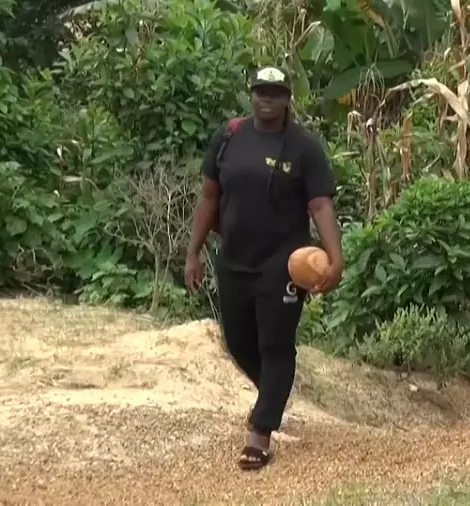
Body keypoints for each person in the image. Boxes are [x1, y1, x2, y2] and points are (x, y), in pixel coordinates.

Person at [184, 66, 344, 471]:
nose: (266, 99)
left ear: (288, 97)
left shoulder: (303, 147)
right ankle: (271, 397)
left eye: (275, 93)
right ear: (251, 94)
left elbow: (320, 204)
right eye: (260, 92)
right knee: (238, 342)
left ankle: (260, 431)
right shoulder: (230, 138)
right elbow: (208, 196)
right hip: (234, 258)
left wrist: (334, 255)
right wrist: (193, 252)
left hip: (283, 263)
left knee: (275, 343)